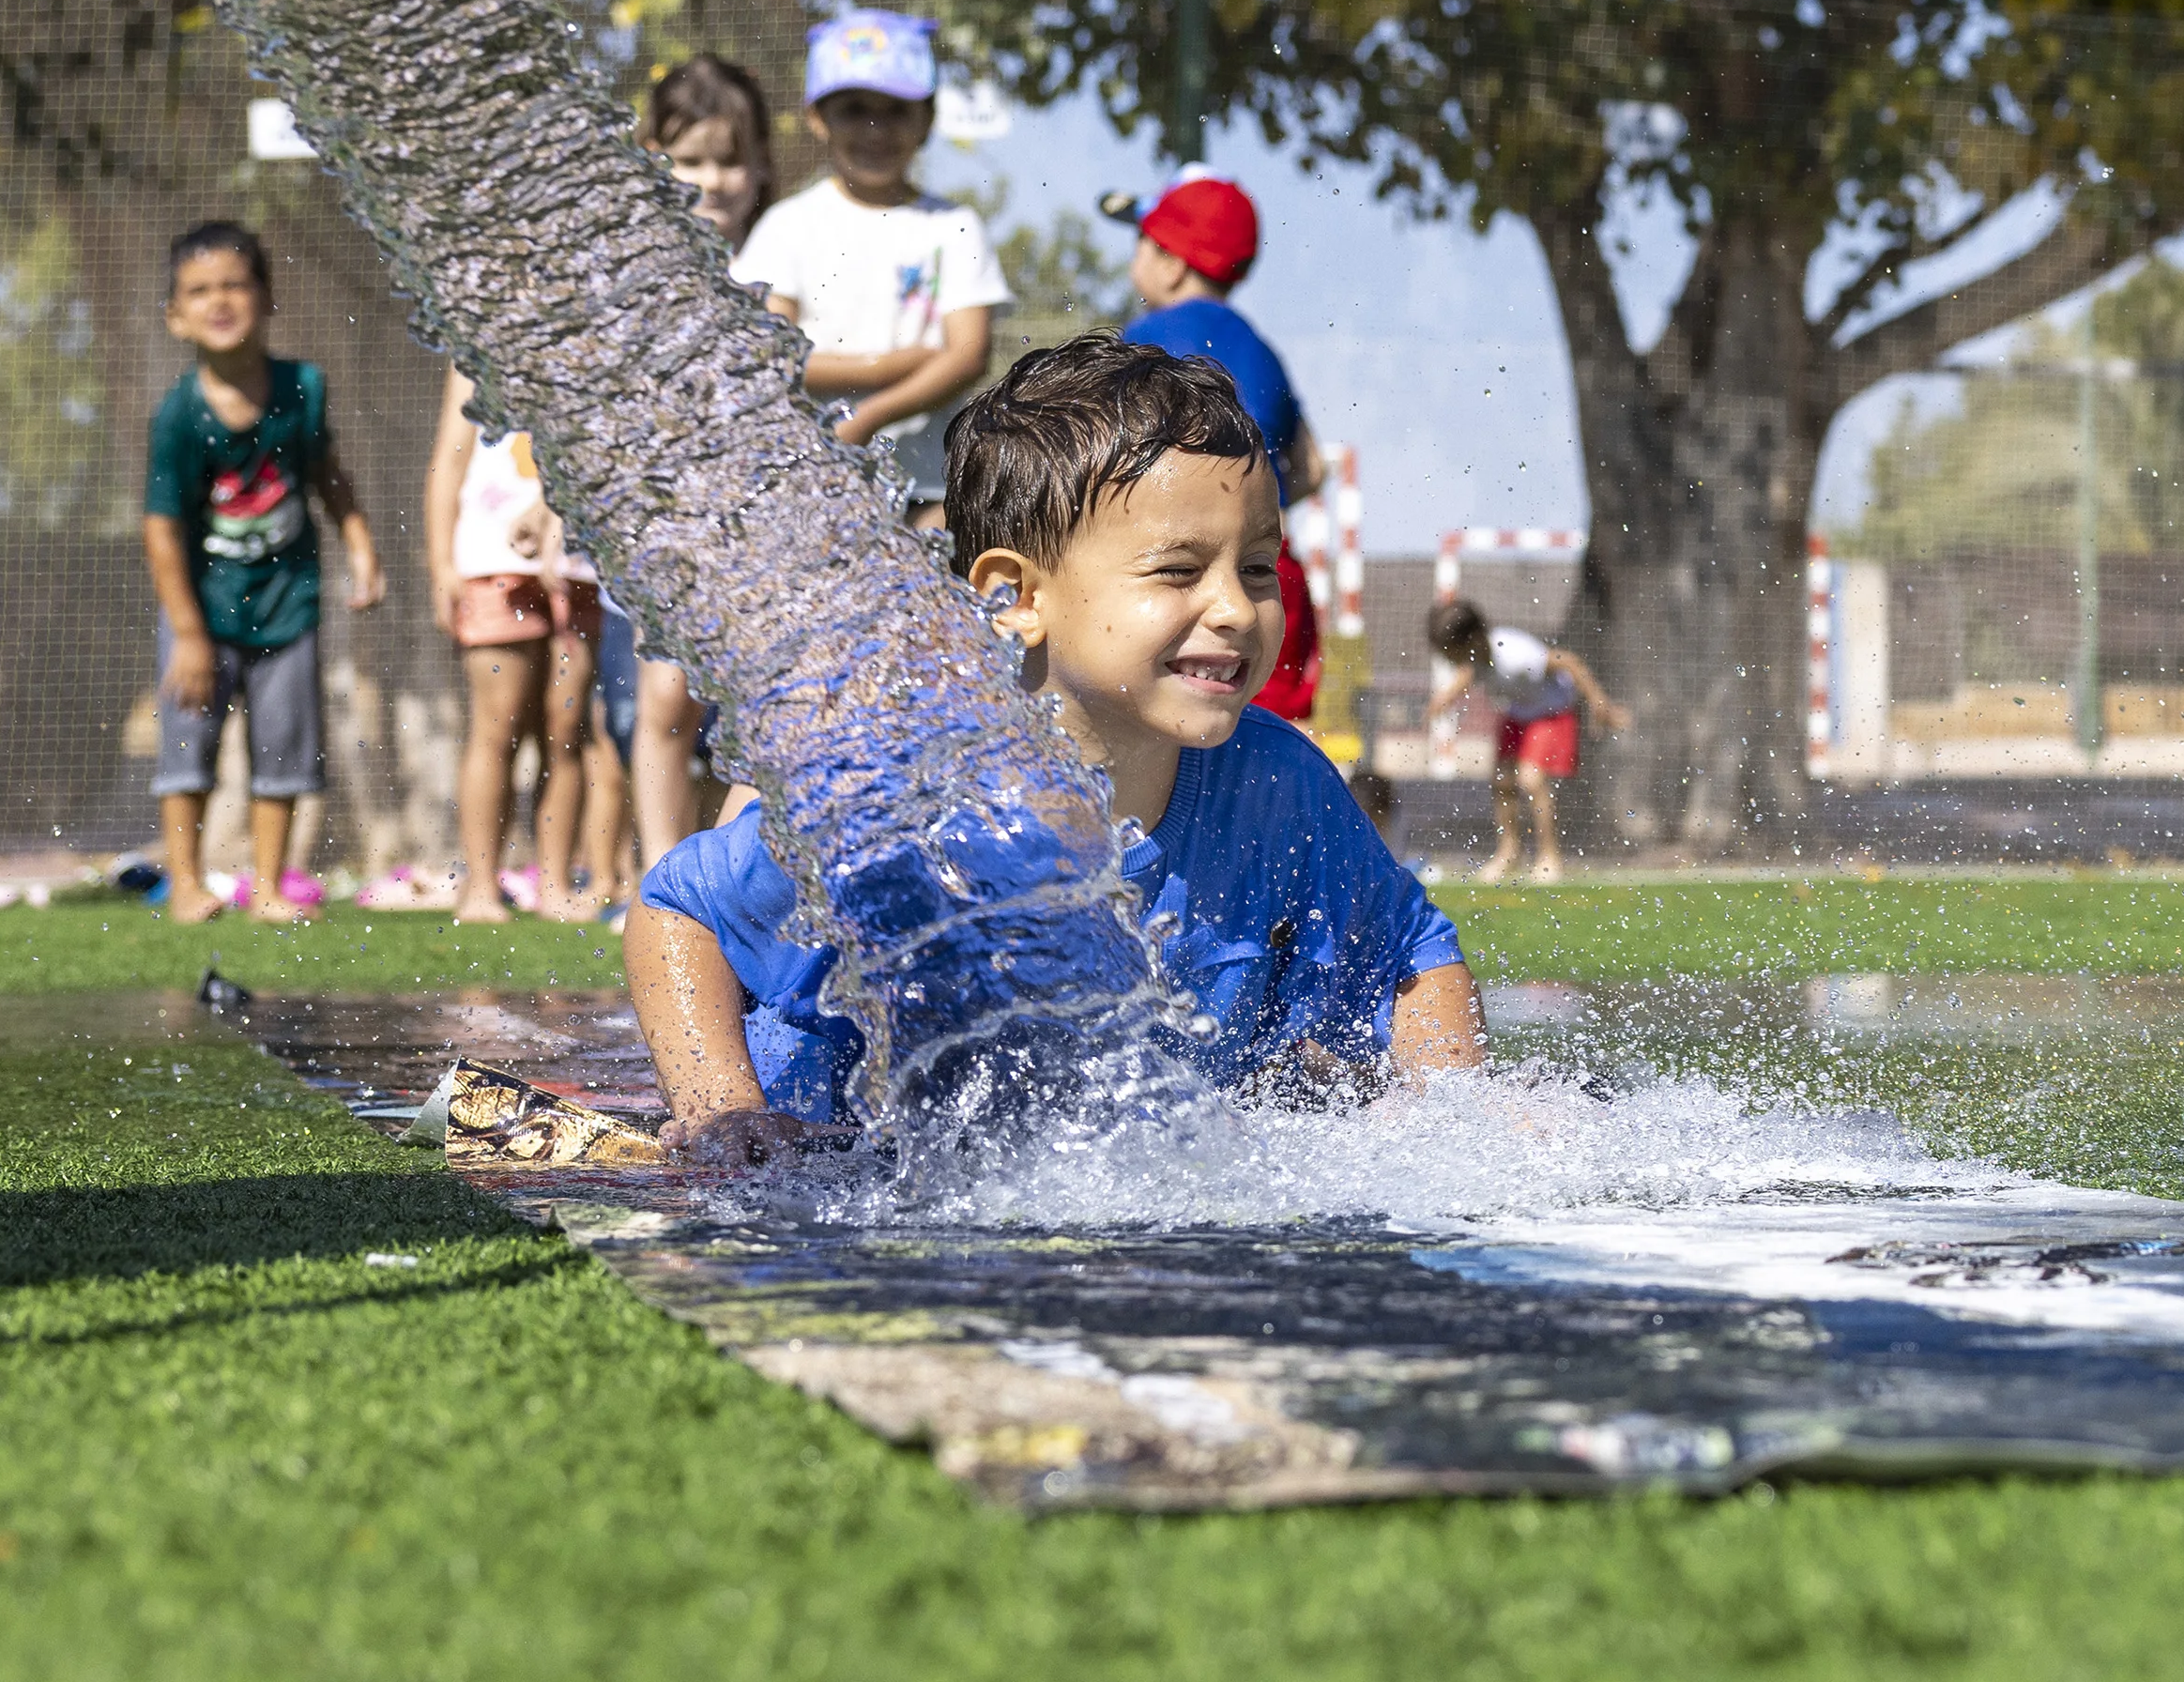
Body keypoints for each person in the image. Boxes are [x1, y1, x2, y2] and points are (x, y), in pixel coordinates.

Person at [625, 338, 1482, 1161]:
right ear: (1016, 597)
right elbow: (678, 910)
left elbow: (1412, 951)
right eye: (1180, 571)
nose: (1234, 608)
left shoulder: (1278, 785)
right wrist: (722, 1107)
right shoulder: (906, 795)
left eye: (1257, 568)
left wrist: (1455, 1119)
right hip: (843, 1152)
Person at [142, 221, 379, 926]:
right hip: (203, 610)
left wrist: (361, 545)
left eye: (234, 285)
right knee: (189, 750)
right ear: (176, 315)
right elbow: (161, 529)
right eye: (200, 291)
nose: (220, 301)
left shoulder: (302, 388)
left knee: (284, 749)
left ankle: (268, 884)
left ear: (267, 296)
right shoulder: (180, 416)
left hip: (288, 604)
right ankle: (187, 884)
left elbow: (327, 478)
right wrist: (186, 633)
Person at [726, 8, 1008, 541]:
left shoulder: (954, 226)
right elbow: (771, 356)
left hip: (932, 484)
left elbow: (968, 355)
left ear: (926, 120)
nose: (875, 129)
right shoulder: (788, 225)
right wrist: (890, 368)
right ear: (818, 117)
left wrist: (871, 414)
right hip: (815, 474)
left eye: (896, 111)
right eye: (855, 110)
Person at [621, 54, 776, 879]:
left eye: (728, 160)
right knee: (665, 701)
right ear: (653, 158)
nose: (713, 181)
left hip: (761, 523)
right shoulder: (637, 272)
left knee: (758, 709)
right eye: (691, 161)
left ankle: (742, 883)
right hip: (667, 520)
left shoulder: (778, 262)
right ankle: (660, 880)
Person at [1109, 172, 1324, 723]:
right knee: (1270, 742)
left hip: (1179, 573)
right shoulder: (1262, 350)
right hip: (1267, 574)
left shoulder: (1143, 339)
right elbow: (1313, 469)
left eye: (1140, 242)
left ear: (1171, 262)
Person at [420, 374, 600, 922]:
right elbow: (448, 462)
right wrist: (441, 565)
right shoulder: (470, 353)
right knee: (495, 728)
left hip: (574, 563)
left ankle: (554, 884)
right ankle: (479, 886)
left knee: (565, 730)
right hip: (491, 563)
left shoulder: (582, 341)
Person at [1426, 599, 1629, 883]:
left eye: (1452, 653)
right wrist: (1446, 698)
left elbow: (1568, 661)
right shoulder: (1475, 659)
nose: (1451, 661)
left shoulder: (1516, 656)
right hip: (1519, 713)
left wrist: (1599, 703)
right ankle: (1509, 852)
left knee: (1531, 780)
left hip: (1551, 712)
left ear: (1472, 640)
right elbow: (1467, 675)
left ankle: (1549, 857)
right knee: (1502, 780)